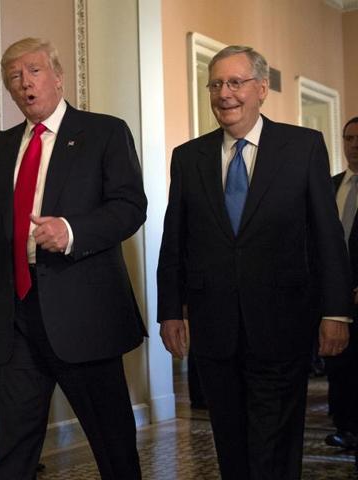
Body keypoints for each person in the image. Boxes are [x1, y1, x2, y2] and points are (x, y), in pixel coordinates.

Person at [0, 37, 147, 479]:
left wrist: (71, 231)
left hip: (84, 318)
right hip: (17, 316)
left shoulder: (103, 132)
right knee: (13, 449)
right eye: (14, 77)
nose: (25, 83)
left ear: (58, 75)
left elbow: (130, 207)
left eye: (34, 71)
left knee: (113, 449)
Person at [157, 45, 352, 479]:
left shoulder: (302, 147)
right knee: (230, 441)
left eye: (235, 82)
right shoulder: (189, 157)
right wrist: (170, 310)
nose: (224, 94)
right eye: (216, 84)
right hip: (214, 328)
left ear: (261, 89)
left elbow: (327, 236)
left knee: (275, 442)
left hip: (282, 323)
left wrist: (335, 312)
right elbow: (175, 241)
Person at [326, 116, 358, 450]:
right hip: (334, 296)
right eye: (348, 138)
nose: (354, 144)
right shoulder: (329, 184)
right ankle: (345, 427)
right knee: (339, 364)